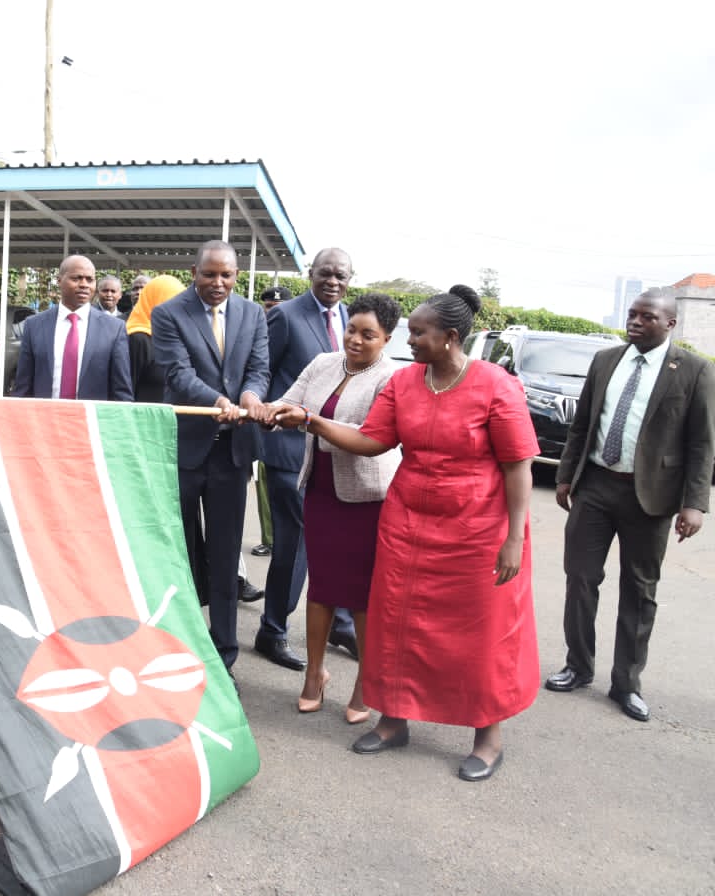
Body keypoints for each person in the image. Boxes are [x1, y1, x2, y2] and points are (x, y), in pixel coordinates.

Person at [269, 285, 537, 782]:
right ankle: (395, 722)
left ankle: (488, 736)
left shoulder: (496, 385)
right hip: (408, 522)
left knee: (481, 634)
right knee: (398, 626)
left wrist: (514, 538)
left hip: (478, 527)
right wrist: (313, 422)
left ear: (450, 337)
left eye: (417, 333)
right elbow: (372, 440)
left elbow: (518, 464)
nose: (407, 341)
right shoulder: (406, 383)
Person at [547, 288, 715, 722]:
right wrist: (566, 476)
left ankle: (626, 683)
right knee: (580, 579)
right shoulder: (606, 360)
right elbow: (583, 424)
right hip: (596, 486)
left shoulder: (695, 371)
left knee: (639, 592)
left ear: (671, 324)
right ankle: (578, 666)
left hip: (652, 498)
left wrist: (694, 503)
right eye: (633, 314)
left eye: (647, 317)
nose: (635, 322)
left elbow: (702, 443)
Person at [268, 293, 402, 723]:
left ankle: (366, 682)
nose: (356, 341)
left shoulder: (392, 379)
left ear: (387, 339)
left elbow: (369, 436)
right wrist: (256, 409)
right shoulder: (324, 363)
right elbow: (287, 401)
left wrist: (310, 419)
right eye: (351, 330)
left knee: (363, 597)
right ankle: (315, 673)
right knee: (321, 589)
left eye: (369, 335)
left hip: (367, 498)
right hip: (321, 489)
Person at [152, 241, 270, 673]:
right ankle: (178, 650)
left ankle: (223, 660)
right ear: (194, 272)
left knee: (224, 560)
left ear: (236, 275)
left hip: (232, 455)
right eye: (210, 275)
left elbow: (259, 367)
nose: (218, 284)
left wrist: (251, 394)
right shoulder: (168, 314)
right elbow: (177, 375)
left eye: (227, 275)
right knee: (179, 555)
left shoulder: (253, 314)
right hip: (184, 451)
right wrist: (221, 400)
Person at [256, 249, 359, 672]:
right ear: (310, 274)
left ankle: (339, 622)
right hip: (288, 452)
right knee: (294, 546)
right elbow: (262, 371)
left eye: (340, 275)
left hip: (332, 453)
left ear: (350, 279)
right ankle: (272, 631)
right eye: (325, 273)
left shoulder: (349, 317)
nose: (332, 281)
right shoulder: (285, 316)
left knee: (336, 542)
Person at [13, 255, 133, 402]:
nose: (84, 284)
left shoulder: (114, 329)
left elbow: (121, 391)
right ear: (59, 281)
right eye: (76, 278)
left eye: (90, 280)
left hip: (91, 421)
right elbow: (23, 386)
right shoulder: (34, 325)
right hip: (45, 419)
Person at [250, 286, 294, 557]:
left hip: (289, 418)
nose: (273, 311)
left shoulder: (288, 326)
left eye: (278, 306)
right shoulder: (257, 332)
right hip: (263, 418)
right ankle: (269, 537)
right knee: (264, 484)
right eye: (268, 307)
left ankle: (279, 538)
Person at [125, 274, 186, 403]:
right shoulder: (139, 339)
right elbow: (126, 389)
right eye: (171, 302)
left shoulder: (177, 337)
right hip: (144, 419)